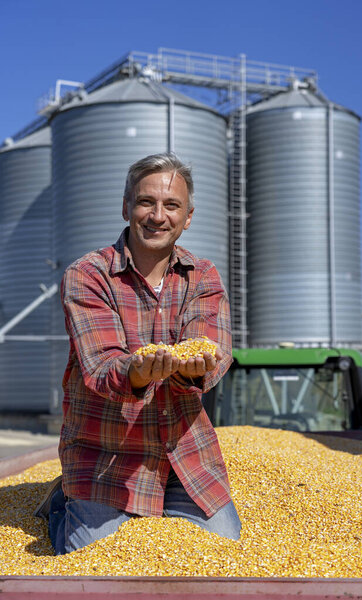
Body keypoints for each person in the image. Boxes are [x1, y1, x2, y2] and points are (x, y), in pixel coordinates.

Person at [35, 152, 241, 554]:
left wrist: (195, 367)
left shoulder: (203, 276)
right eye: (146, 202)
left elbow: (212, 347)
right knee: (93, 557)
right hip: (106, 453)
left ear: (189, 216)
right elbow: (101, 367)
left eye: (172, 205)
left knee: (224, 547)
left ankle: (158, 501)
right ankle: (62, 505)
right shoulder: (89, 274)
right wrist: (139, 371)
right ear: (126, 207)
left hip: (183, 454)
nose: (158, 216)